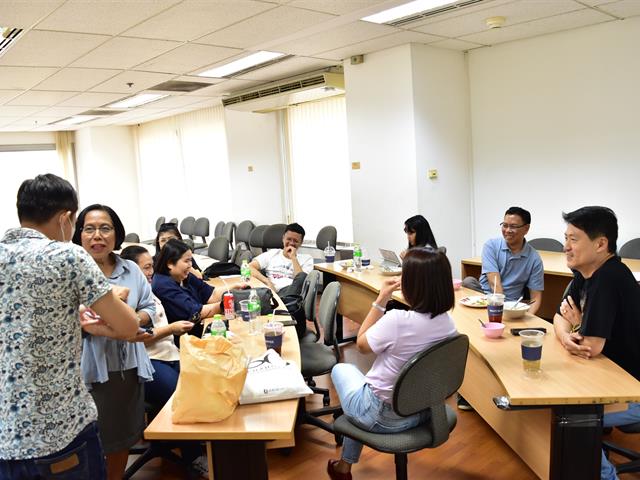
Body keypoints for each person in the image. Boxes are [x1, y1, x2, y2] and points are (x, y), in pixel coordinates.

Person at [0, 174, 138, 480]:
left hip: (5, 438)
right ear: (66, 218)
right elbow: (128, 326)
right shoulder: (67, 255)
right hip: (60, 434)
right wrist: (101, 320)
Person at [327, 247, 458, 480]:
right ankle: (343, 467)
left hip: (383, 418)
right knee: (365, 385)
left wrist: (380, 301)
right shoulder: (448, 323)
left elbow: (361, 344)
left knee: (342, 369)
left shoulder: (398, 321)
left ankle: (344, 464)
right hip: (426, 410)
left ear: (411, 284)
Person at [552, 206, 640, 480]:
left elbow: (589, 347)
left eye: (573, 239)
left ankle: (606, 476)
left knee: (567, 417)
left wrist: (576, 326)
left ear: (601, 244)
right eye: (565, 238)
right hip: (609, 379)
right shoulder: (585, 273)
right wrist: (569, 335)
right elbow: (558, 317)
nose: (566, 247)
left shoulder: (608, 278)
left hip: (633, 391)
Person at [72, 204, 156, 480]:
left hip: (129, 367)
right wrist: (116, 321)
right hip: (89, 372)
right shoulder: (72, 271)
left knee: (121, 438)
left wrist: (134, 320)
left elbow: (149, 308)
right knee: (90, 442)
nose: (97, 235)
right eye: (89, 229)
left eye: (105, 228)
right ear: (79, 234)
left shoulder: (130, 268)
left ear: (116, 234)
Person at [119, 245, 209, 477]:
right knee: (182, 396)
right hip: (145, 362)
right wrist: (172, 328)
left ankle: (200, 443)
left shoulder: (149, 290)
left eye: (151, 266)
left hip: (168, 354)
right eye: (146, 267)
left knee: (203, 380)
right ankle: (194, 457)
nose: (152, 272)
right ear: (130, 270)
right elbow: (133, 339)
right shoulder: (124, 299)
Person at [152, 239, 245, 339]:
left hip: (199, 329)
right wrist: (226, 303)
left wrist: (232, 288)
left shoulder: (184, 276)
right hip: (185, 340)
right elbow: (198, 313)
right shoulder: (163, 285)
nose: (190, 265)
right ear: (170, 263)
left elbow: (211, 294)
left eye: (191, 260)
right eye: (186, 261)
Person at [464, 206, 544, 316]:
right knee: (468, 282)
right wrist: (500, 313)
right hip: (486, 298)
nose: (507, 230)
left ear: (526, 229)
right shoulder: (491, 246)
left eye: (513, 226)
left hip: (513, 305)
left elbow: (536, 297)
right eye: (505, 225)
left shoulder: (534, 258)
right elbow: (495, 286)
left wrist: (528, 317)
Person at [249, 222, 313, 297]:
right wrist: (267, 281)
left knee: (302, 276)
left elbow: (301, 282)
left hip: (291, 292)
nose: (291, 243)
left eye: (295, 241)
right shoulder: (272, 253)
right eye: (288, 239)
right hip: (270, 291)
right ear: (283, 238)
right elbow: (248, 267)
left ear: (301, 243)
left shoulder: (307, 259)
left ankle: (284, 302)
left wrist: (293, 258)